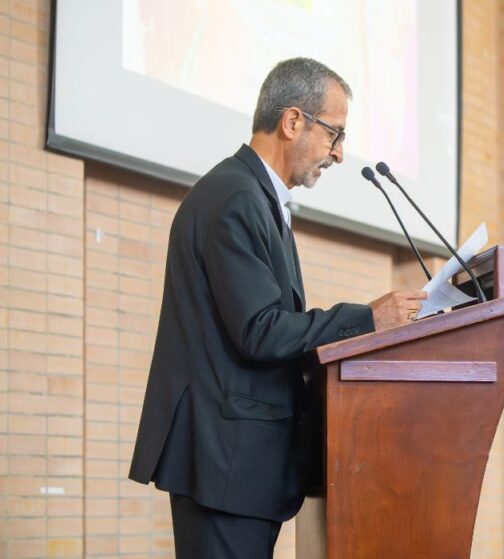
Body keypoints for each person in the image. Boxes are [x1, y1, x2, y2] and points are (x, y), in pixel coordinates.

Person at [128, 58, 427, 557]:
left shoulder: (255, 196)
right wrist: (368, 319)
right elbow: (260, 330)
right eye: (334, 134)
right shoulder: (235, 197)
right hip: (225, 462)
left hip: (239, 466)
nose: (338, 154)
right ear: (292, 122)